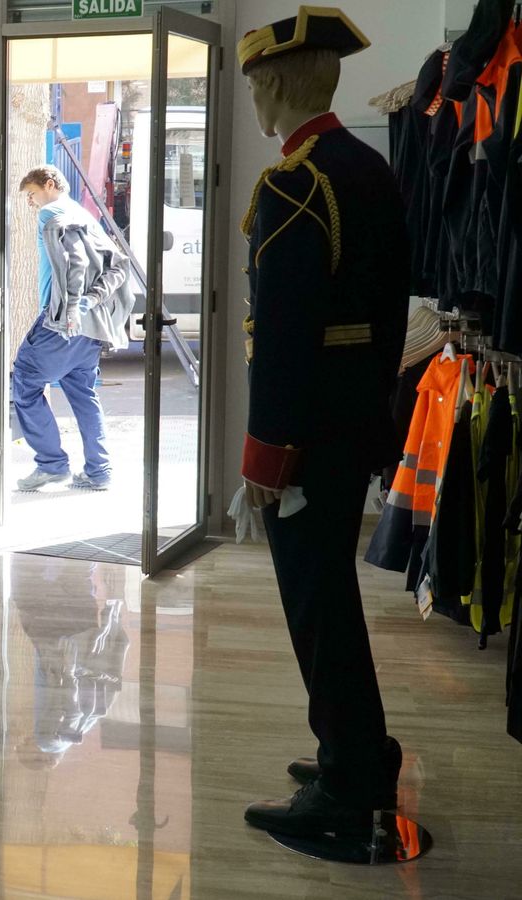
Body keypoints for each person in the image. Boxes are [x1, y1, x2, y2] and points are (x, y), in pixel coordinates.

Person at [236, 7, 409, 839]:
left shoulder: (297, 182)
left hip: (303, 436)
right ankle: (360, 748)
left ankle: (348, 783)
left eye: (258, 85)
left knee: (318, 606)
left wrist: (265, 459)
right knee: (330, 598)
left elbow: (286, 335)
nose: (257, 100)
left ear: (275, 85)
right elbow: (382, 317)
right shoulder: (368, 166)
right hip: (351, 423)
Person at [11, 165, 131, 493]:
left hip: (61, 323)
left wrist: (71, 309)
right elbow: (119, 266)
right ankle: (99, 471)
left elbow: (74, 262)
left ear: (50, 185)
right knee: (83, 394)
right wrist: (88, 304)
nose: (32, 203)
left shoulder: (53, 213)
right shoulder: (84, 214)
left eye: (32, 195)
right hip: (91, 327)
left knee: (24, 382)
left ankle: (51, 465)